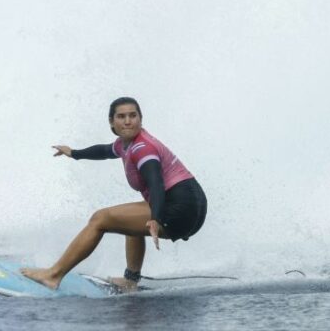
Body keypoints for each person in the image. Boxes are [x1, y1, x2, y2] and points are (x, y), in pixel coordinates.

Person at [21, 97, 207, 291]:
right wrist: (74, 153)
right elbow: (104, 151)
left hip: (181, 208)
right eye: (121, 116)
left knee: (100, 218)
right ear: (112, 122)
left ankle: (53, 275)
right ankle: (130, 281)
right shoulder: (124, 144)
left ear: (140, 119)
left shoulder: (143, 149)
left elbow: (156, 184)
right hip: (191, 202)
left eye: (133, 116)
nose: (128, 121)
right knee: (126, 218)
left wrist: (156, 218)